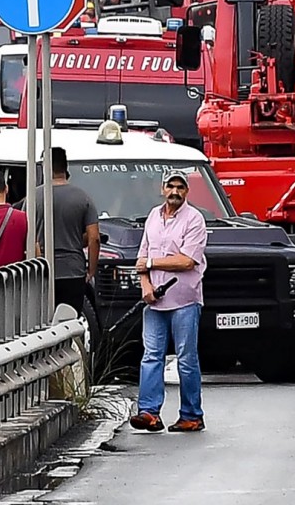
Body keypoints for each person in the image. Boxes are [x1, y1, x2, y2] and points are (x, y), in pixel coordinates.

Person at [130, 169, 208, 433]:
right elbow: (142, 257)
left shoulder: (194, 220)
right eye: (171, 186)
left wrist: (153, 263)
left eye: (180, 187)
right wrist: (145, 286)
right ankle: (149, 412)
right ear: (162, 188)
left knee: (186, 358)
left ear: (187, 191)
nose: (175, 192)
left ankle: (191, 415)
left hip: (184, 299)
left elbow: (187, 260)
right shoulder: (153, 216)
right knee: (151, 356)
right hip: (154, 301)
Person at [35, 147, 100, 316]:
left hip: (43, 271)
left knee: (44, 325)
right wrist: (91, 270)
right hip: (73, 270)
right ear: (65, 167)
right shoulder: (83, 197)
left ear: (45, 166)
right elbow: (94, 238)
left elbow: (29, 237)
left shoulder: (34, 197)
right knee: (70, 322)